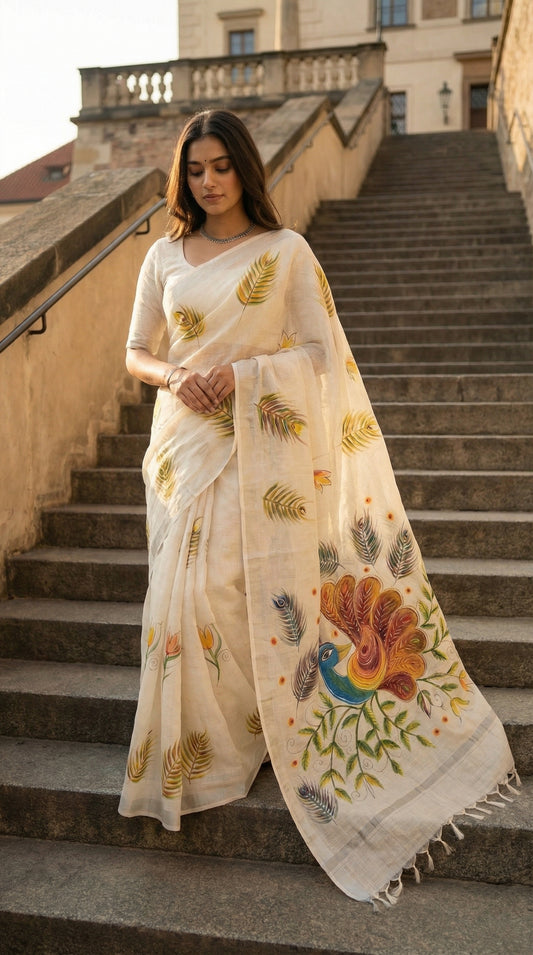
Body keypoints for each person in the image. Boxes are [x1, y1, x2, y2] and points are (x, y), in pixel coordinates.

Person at [119, 108, 518, 905]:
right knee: (180, 598)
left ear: (244, 169)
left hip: (254, 441)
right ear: (183, 176)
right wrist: (175, 379)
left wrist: (241, 378)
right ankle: (200, 754)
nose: (208, 181)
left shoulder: (286, 252)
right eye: (195, 169)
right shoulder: (164, 254)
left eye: (221, 167)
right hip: (183, 447)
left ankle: (256, 731)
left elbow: (316, 354)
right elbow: (136, 350)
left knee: (229, 588)